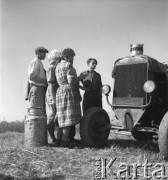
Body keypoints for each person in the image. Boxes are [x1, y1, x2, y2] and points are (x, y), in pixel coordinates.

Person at [55, 48, 88, 147]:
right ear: (67, 56)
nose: (73, 59)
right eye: (72, 57)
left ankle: (58, 140)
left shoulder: (57, 66)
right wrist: (81, 77)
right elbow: (71, 82)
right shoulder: (68, 65)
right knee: (68, 117)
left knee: (61, 117)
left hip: (60, 91)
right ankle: (64, 141)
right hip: (68, 92)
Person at [46, 50, 62, 145]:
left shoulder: (55, 68)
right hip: (52, 95)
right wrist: (54, 99)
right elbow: (51, 84)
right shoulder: (51, 68)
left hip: (55, 93)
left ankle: (56, 138)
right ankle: (52, 138)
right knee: (51, 116)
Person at [27, 46, 48, 114]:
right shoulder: (35, 62)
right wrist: (45, 81)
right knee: (37, 113)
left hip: (40, 90)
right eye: (43, 53)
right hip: (37, 89)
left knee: (41, 112)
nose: (45, 55)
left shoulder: (39, 63)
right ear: (38, 53)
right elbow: (32, 77)